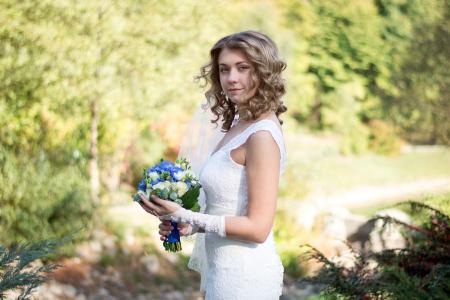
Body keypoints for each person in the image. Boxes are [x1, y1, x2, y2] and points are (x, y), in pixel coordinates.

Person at [138, 30, 287, 299]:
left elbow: (258, 228)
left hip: (246, 277)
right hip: (221, 272)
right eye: (224, 69)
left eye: (243, 68)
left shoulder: (262, 135)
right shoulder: (239, 126)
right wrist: (189, 226)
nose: (231, 78)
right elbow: (226, 207)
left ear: (263, 72)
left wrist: (185, 215)